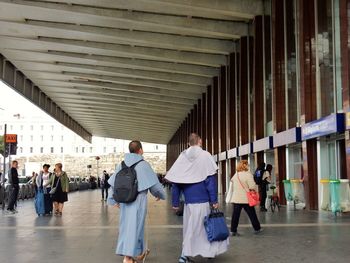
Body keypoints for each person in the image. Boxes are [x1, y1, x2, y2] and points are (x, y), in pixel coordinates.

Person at [165, 133, 229, 263]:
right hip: (203, 200)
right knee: (204, 228)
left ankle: (191, 253)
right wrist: (214, 201)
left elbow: (176, 183)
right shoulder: (206, 156)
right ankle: (198, 253)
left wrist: (175, 202)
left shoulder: (182, 157)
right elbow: (211, 181)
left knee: (191, 228)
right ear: (200, 141)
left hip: (189, 203)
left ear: (189, 143)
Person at [107, 140, 166, 263]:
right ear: (140, 150)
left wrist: (112, 199)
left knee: (126, 226)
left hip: (124, 200)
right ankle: (128, 257)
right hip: (138, 200)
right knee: (135, 227)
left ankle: (139, 251)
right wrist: (160, 194)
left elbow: (113, 183)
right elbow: (155, 184)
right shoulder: (143, 164)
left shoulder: (121, 164)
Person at [228, 160, 263, 236]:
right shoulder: (248, 175)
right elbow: (252, 186)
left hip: (236, 198)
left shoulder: (236, 175)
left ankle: (233, 230)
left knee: (235, 215)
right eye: (247, 165)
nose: (248, 166)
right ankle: (257, 228)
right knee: (252, 214)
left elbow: (232, 183)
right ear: (245, 166)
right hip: (246, 198)